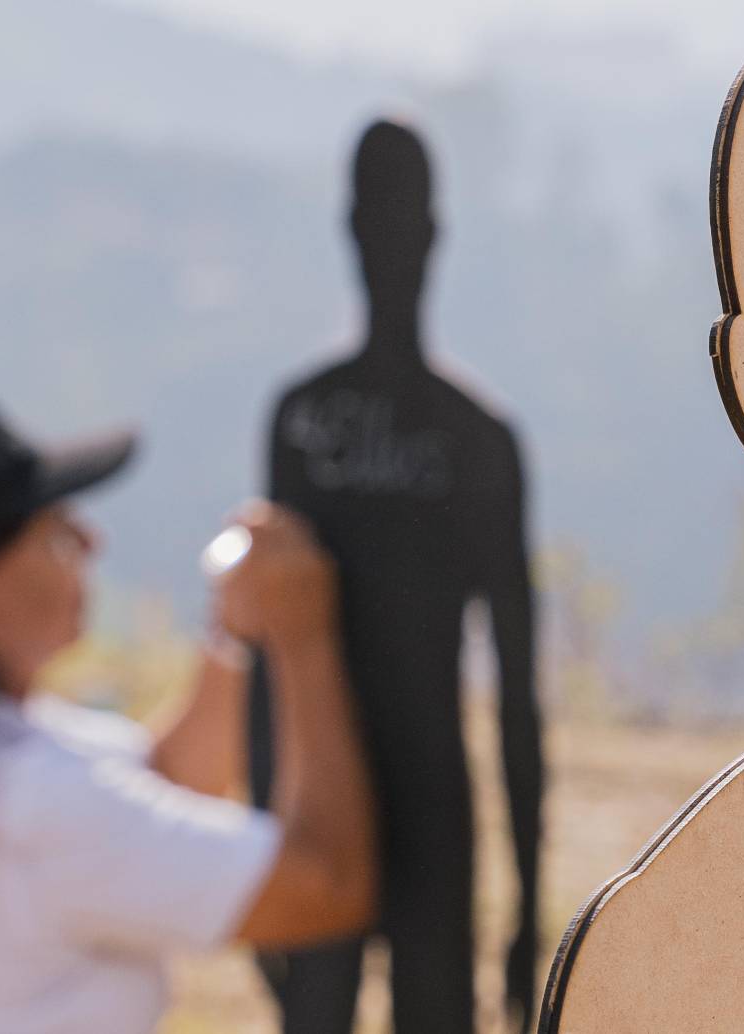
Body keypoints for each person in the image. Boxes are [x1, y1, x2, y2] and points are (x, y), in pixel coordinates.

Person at [0, 385, 375, 1032]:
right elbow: (322, 887)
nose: (90, 540)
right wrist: (304, 639)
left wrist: (237, 635)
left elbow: (154, 787)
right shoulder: (34, 804)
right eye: (52, 529)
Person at [249, 119, 542, 1033]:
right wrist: (266, 848)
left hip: (425, 805)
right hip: (335, 798)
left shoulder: (470, 440)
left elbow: (519, 687)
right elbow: (268, 643)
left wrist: (530, 903)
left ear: (427, 238)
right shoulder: (309, 423)